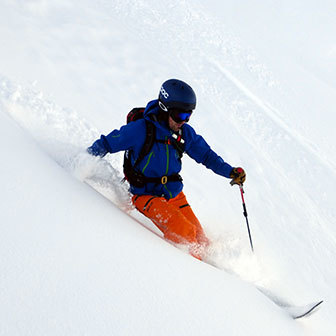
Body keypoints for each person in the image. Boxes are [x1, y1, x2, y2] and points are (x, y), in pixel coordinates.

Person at [87, 79, 246, 260]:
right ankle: (187, 274)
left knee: (201, 241)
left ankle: (213, 273)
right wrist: (82, 161)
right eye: (180, 116)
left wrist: (230, 172)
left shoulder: (184, 134)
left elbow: (207, 156)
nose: (184, 121)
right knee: (185, 234)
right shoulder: (140, 130)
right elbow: (107, 143)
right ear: (164, 109)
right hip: (146, 195)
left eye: (188, 116)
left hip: (173, 195)